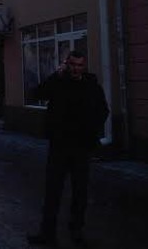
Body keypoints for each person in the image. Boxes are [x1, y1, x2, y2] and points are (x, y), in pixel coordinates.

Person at [27, 50, 109, 247]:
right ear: (66, 64)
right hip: (59, 146)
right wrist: (56, 75)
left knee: (80, 192)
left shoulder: (91, 86)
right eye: (72, 64)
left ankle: (76, 231)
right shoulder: (58, 82)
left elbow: (103, 110)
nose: (76, 69)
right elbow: (37, 93)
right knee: (52, 191)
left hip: (81, 147)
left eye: (80, 65)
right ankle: (47, 233)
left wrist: (92, 131)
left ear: (84, 66)